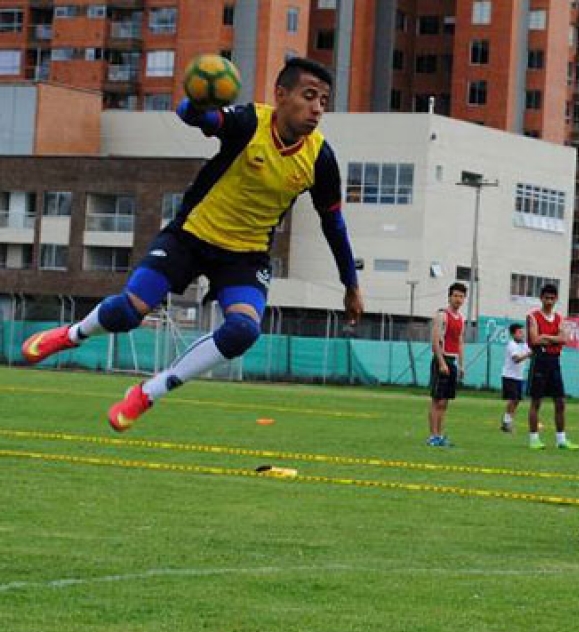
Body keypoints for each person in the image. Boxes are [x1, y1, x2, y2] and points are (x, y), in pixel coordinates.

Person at [21, 58, 362, 430]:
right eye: (309, 96)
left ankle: (148, 393)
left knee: (243, 331)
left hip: (245, 257)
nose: (316, 109)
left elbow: (334, 224)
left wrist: (351, 285)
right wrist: (197, 104)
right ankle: (72, 335)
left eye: (324, 101)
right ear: (281, 95)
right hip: (191, 236)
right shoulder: (250, 122)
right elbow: (197, 118)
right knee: (129, 312)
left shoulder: (320, 159)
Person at [526, 284, 579, 450]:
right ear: (541, 298)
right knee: (536, 401)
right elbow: (534, 340)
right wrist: (554, 338)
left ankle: (561, 439)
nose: (549, 301)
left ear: (556, 299)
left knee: (560, 401)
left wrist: (546, 337)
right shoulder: (533, 317)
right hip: (540, 360)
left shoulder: (559, 319)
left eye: (552, 298)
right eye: (546, 298)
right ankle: (534, 438)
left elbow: (564, 338)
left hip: (554, 361)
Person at [427, 283, 466, 447]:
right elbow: (435, 341)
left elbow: (460, 342)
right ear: (450, 296)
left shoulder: (461, 319)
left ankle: (440, 435)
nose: (458, 299)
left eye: (461, 296)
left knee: (445, 402)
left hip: (452, 361)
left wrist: (462, 365)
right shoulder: (442, 315)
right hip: (441, 360)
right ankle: (433, 436)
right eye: (455, 295)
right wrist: (441, 362)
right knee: (437, 400)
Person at [500, 323, 532, 433]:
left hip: (519, 377)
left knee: (517, 400)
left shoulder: (524, 345)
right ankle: (506, 422)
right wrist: (528, 354)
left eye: (522, 332)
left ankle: (508, 421)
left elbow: (532, 351)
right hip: (509, 376)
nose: (522, 334)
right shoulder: (511, 345)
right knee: (513, 399)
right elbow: (516, 359)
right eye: (519, 332)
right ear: (513, 334)